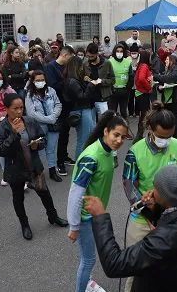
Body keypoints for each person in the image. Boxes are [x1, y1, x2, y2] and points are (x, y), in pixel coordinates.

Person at [84, 165, 177, 292]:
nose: (152, 190)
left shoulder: (164, 239)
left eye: (155, 187)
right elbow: (175, 221)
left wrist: (100, 217)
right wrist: (154, 209)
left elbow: (114, 264)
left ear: (165, 195)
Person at [122, 102, 177, 290]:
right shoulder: (135, 151)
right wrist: (150, 213)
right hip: (143, 217)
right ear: (150, 130)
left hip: (171, 218)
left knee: (167, 269)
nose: (165, 141)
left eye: (169, 137)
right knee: (135, 269)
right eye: (161, 137)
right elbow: (129, 185)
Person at [66, 111, 130, 292]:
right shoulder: (91, 157)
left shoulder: (108, 151)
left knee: (88, 258)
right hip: (85, 217)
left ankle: (87, 283)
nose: (119, 140)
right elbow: (75, 192)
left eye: (123, 137)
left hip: (94, 214)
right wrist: (74, 225)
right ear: (105, 131)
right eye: (116, 135)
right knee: (88, 259)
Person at [0, 93, 67, 240]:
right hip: (15, 169)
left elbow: (42, 140)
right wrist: (13, 134)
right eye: (15, 108)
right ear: (6, 109)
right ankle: (25, 225)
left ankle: (53, 217)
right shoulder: (1, 129)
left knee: (44, 193)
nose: (19, 112)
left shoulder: (30, 121)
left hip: (33, 166)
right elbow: (1, 150)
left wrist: (36, 145)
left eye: (21, 108)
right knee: (18, 198)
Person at [25, 70, 63, 182]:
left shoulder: (51, 91)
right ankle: (39, 172)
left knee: (51, 149)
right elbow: (31, 113)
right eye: (37, 80)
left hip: (53, 125)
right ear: (33, 81)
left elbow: (58, 104)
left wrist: (54, 116)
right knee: (40, 150)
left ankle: (52, 171)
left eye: (42, 80)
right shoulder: (29, 95)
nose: (40, 82)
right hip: (39, 127)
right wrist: (49, 119)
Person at [46, 45, 75, 176]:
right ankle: (59, 162)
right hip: (57, 105)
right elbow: (53, 86)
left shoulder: (67, 67)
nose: (71, 60)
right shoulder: (51, 67)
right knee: (59, 133)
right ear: (64, 55)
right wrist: (68, 82)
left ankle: (64, 156)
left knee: (66, 132)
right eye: (71, 57)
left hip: (68, 103)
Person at [63, 55, 97, 159]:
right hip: (81, 110)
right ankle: (80, 162)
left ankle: (84, 160)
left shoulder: (75, 80)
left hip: (84, 109)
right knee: (83, 139)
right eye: (81, 66)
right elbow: (82, 97)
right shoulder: (72, 81)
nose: (82, 68)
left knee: (87, 137)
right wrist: (90, 85)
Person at [154, 55, 177, 139]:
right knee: (168, 120)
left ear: (172, 60)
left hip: (176, 100)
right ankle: (169, 136)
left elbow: (169, 78)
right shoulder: (166, 71)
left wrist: (155, 76)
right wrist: (159, 87)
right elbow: (161, 83)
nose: (165, 61)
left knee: (176, 120)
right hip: (167, 100)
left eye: (167, 59)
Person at [82, 43, 115, 116]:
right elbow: (81, 79)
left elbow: (113, 80)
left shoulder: (107, 63)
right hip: (90, 99)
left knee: (104, 122)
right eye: (88, 56)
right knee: (91, 124)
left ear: (97, 54)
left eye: (92, 56)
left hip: (103, 98)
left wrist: (102, 81)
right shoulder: (85, 64)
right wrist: (84, 78)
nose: (89, 58)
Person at [108, 44, 132, 119]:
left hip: (124, 91)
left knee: (123, 112)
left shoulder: (128, 62)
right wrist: (111, 88)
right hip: (113, 91)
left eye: (121, 51)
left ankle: (124, 128)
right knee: (112, 113)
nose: (119, 53)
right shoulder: (109, 62)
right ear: (114, 52)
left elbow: (131, 76)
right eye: (117, 51)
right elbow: (106, 76)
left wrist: (128, 88)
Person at [133, 51, 153, 142]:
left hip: (140, 93)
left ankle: (139, 135)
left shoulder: (141, 65)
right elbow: (141, 78)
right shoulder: (144, 66)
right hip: (142, 93)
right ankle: (139, 136)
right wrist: (149, 87)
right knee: (145, 116)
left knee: (144, 116)